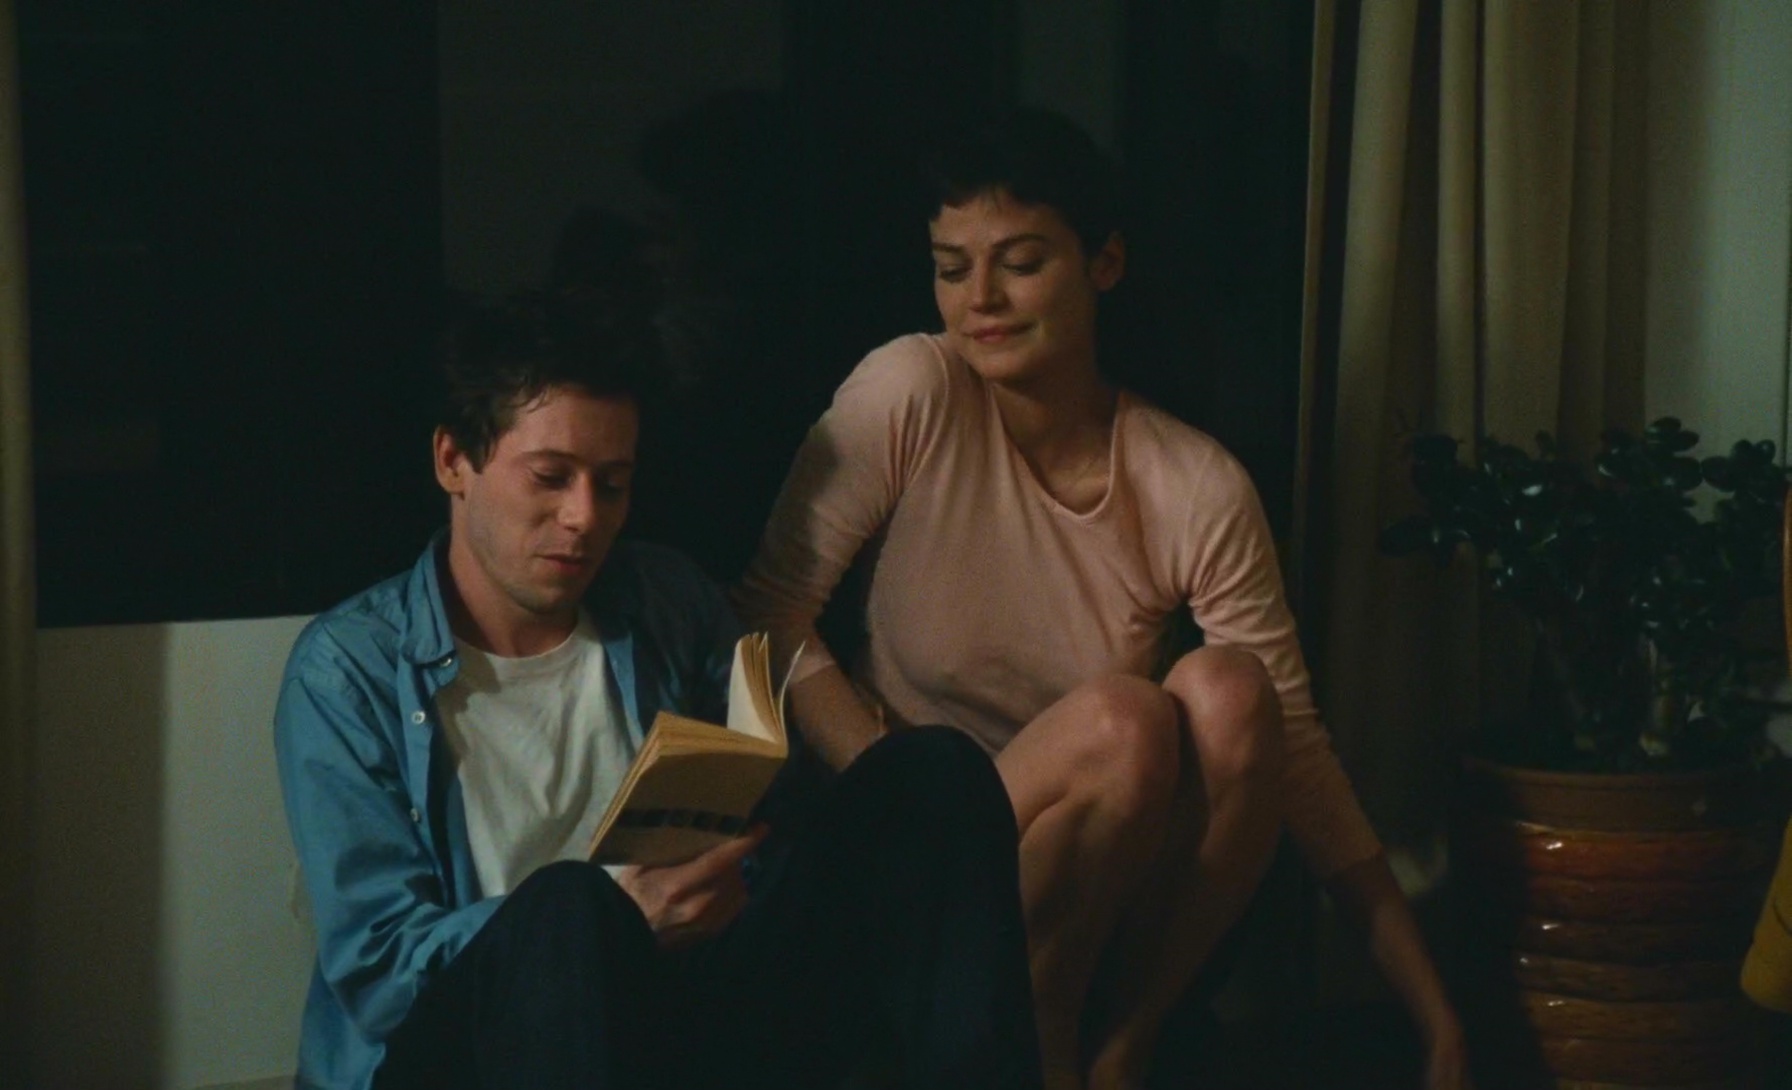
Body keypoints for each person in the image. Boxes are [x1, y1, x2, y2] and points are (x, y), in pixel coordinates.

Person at [734, 109, 1471, 1090]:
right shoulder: (913, 388)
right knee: (1125, 719)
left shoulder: (1190, 483)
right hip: (909, 856)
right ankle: (1040, 1024)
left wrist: (1434, 1015)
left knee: (1228, 693)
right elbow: (768, 611)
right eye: (952, 268)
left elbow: (1292, 753)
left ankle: (1122, 1041)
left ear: (1104, 262)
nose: (980, 300)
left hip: (1099, 878)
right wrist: (905, 784)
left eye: (1020, 262)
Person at [273, 288, 1044, 1090]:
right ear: (452, 462)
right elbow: (379, 970)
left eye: (611, 484)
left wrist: (731, 876)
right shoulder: (349, 670)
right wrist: (620, 917)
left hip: (674, 1011)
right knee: (569, 907)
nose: (584, 517)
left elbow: (773, 822)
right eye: (550, 477)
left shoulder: (667, 601)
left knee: (934, 775)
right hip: (477, 1044)